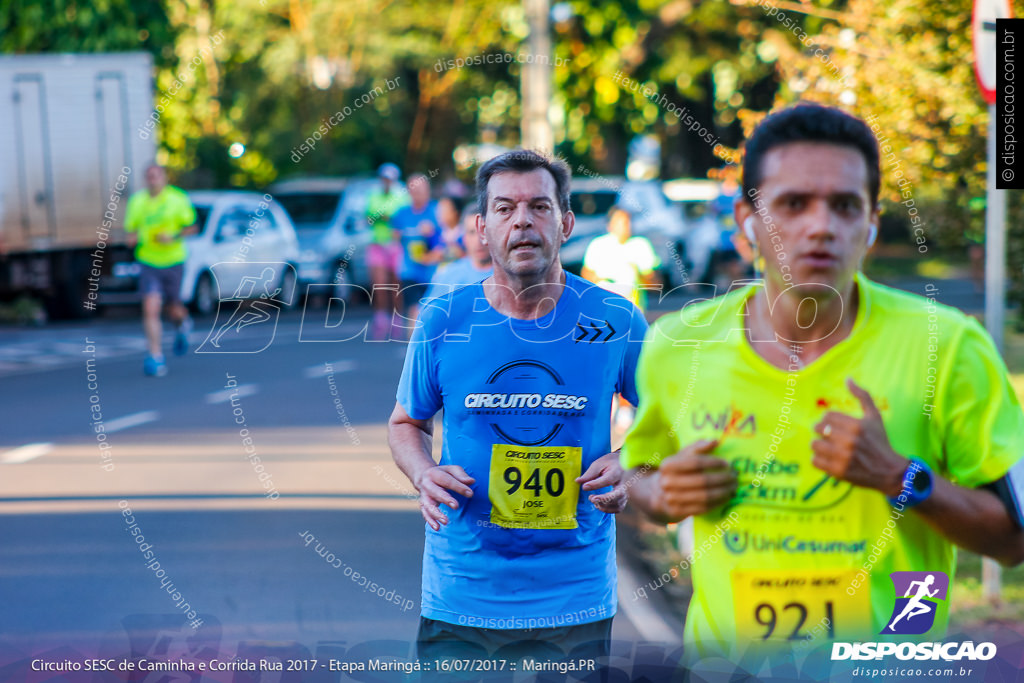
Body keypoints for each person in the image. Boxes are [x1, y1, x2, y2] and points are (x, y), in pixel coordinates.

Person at [622, 104, 1024, 665]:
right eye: (793, 204)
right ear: (747, 222)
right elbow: (636, 471)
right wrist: (660, 493)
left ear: (871, 223)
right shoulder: (678, 344)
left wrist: (900, 476)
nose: (820, 226)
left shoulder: (948, 346)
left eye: (844, 205)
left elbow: (1012, 540)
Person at [388, 150, 648, 664]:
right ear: (482, 228)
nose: (523, 220)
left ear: (566, 222)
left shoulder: (615, 318)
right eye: (505, 209)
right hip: (462, 590)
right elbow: (406, 423)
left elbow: (672, 416)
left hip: (573, 594)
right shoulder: (443, 318)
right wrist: (422, 473)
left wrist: (632, 462)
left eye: (539, 207)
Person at [124, 164, 197, 377]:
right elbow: (131, 231)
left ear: (164, 178)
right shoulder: (137, 201)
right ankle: (155, 356)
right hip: (148, 261)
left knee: (173, 308)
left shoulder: (177, 199)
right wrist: (131, 238)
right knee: (150, 307)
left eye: (156, 176)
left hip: (173, 260)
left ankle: (183, 325)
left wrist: (172, 237)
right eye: (149, 177)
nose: (152, 180)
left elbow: (192, 227)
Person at [391, 174, 444, 332]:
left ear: (428, 190)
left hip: (434, 272)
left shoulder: (437, 210)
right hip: (410, 270)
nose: (418, 193)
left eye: (421, 190)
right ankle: (413, 350)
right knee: (414, 310)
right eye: (414, 190)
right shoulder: (401, 213)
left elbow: (447, 238)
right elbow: (394, 236)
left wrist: (432, 233)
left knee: (434, 313)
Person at [581, 206, 660, 311]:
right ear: (610, 225)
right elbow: (586, 274)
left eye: (628, 222)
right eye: (621, 223)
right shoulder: (598, 245)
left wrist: (637, 276)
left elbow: (655, 282)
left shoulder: (641, 245)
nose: (626, 226)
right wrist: (601, 282)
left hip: (632, 309)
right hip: (604, 308)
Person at [366, 163, 410, 340]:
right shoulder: (373, 195)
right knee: (379, 284)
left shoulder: (401, 195)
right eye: (384, 179)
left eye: (389, 180)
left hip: (396, 244)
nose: (386, 182)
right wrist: (385, 217)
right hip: (378, 243)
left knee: (395, 283)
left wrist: (384, 217)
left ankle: (397, 318)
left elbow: (401, 218)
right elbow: (370, 217)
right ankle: (380, 318)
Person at [424, 208, 493, 302]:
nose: (478, 241)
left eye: (484, 231)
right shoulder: (447, 275)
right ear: (464, 238)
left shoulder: (510, 276)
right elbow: (428, 312)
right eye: (472, 232)